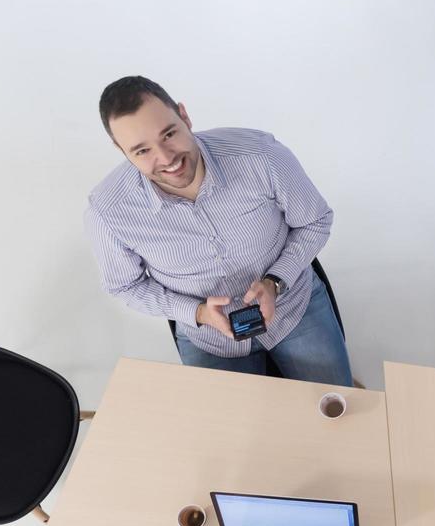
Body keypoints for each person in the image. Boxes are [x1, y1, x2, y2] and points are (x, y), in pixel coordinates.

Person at [86, 75, 353, 386]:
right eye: (142, 151)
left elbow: (315, 220)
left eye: (169, 134)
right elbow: (124, 286)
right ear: (121, 149)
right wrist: (196, 312)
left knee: (338, 413)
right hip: (209, 338)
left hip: (294, 310)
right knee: (232, 433)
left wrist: (275, 282)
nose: (166, 158)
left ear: (184, 115)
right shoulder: (107, 212)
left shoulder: (261, 155)